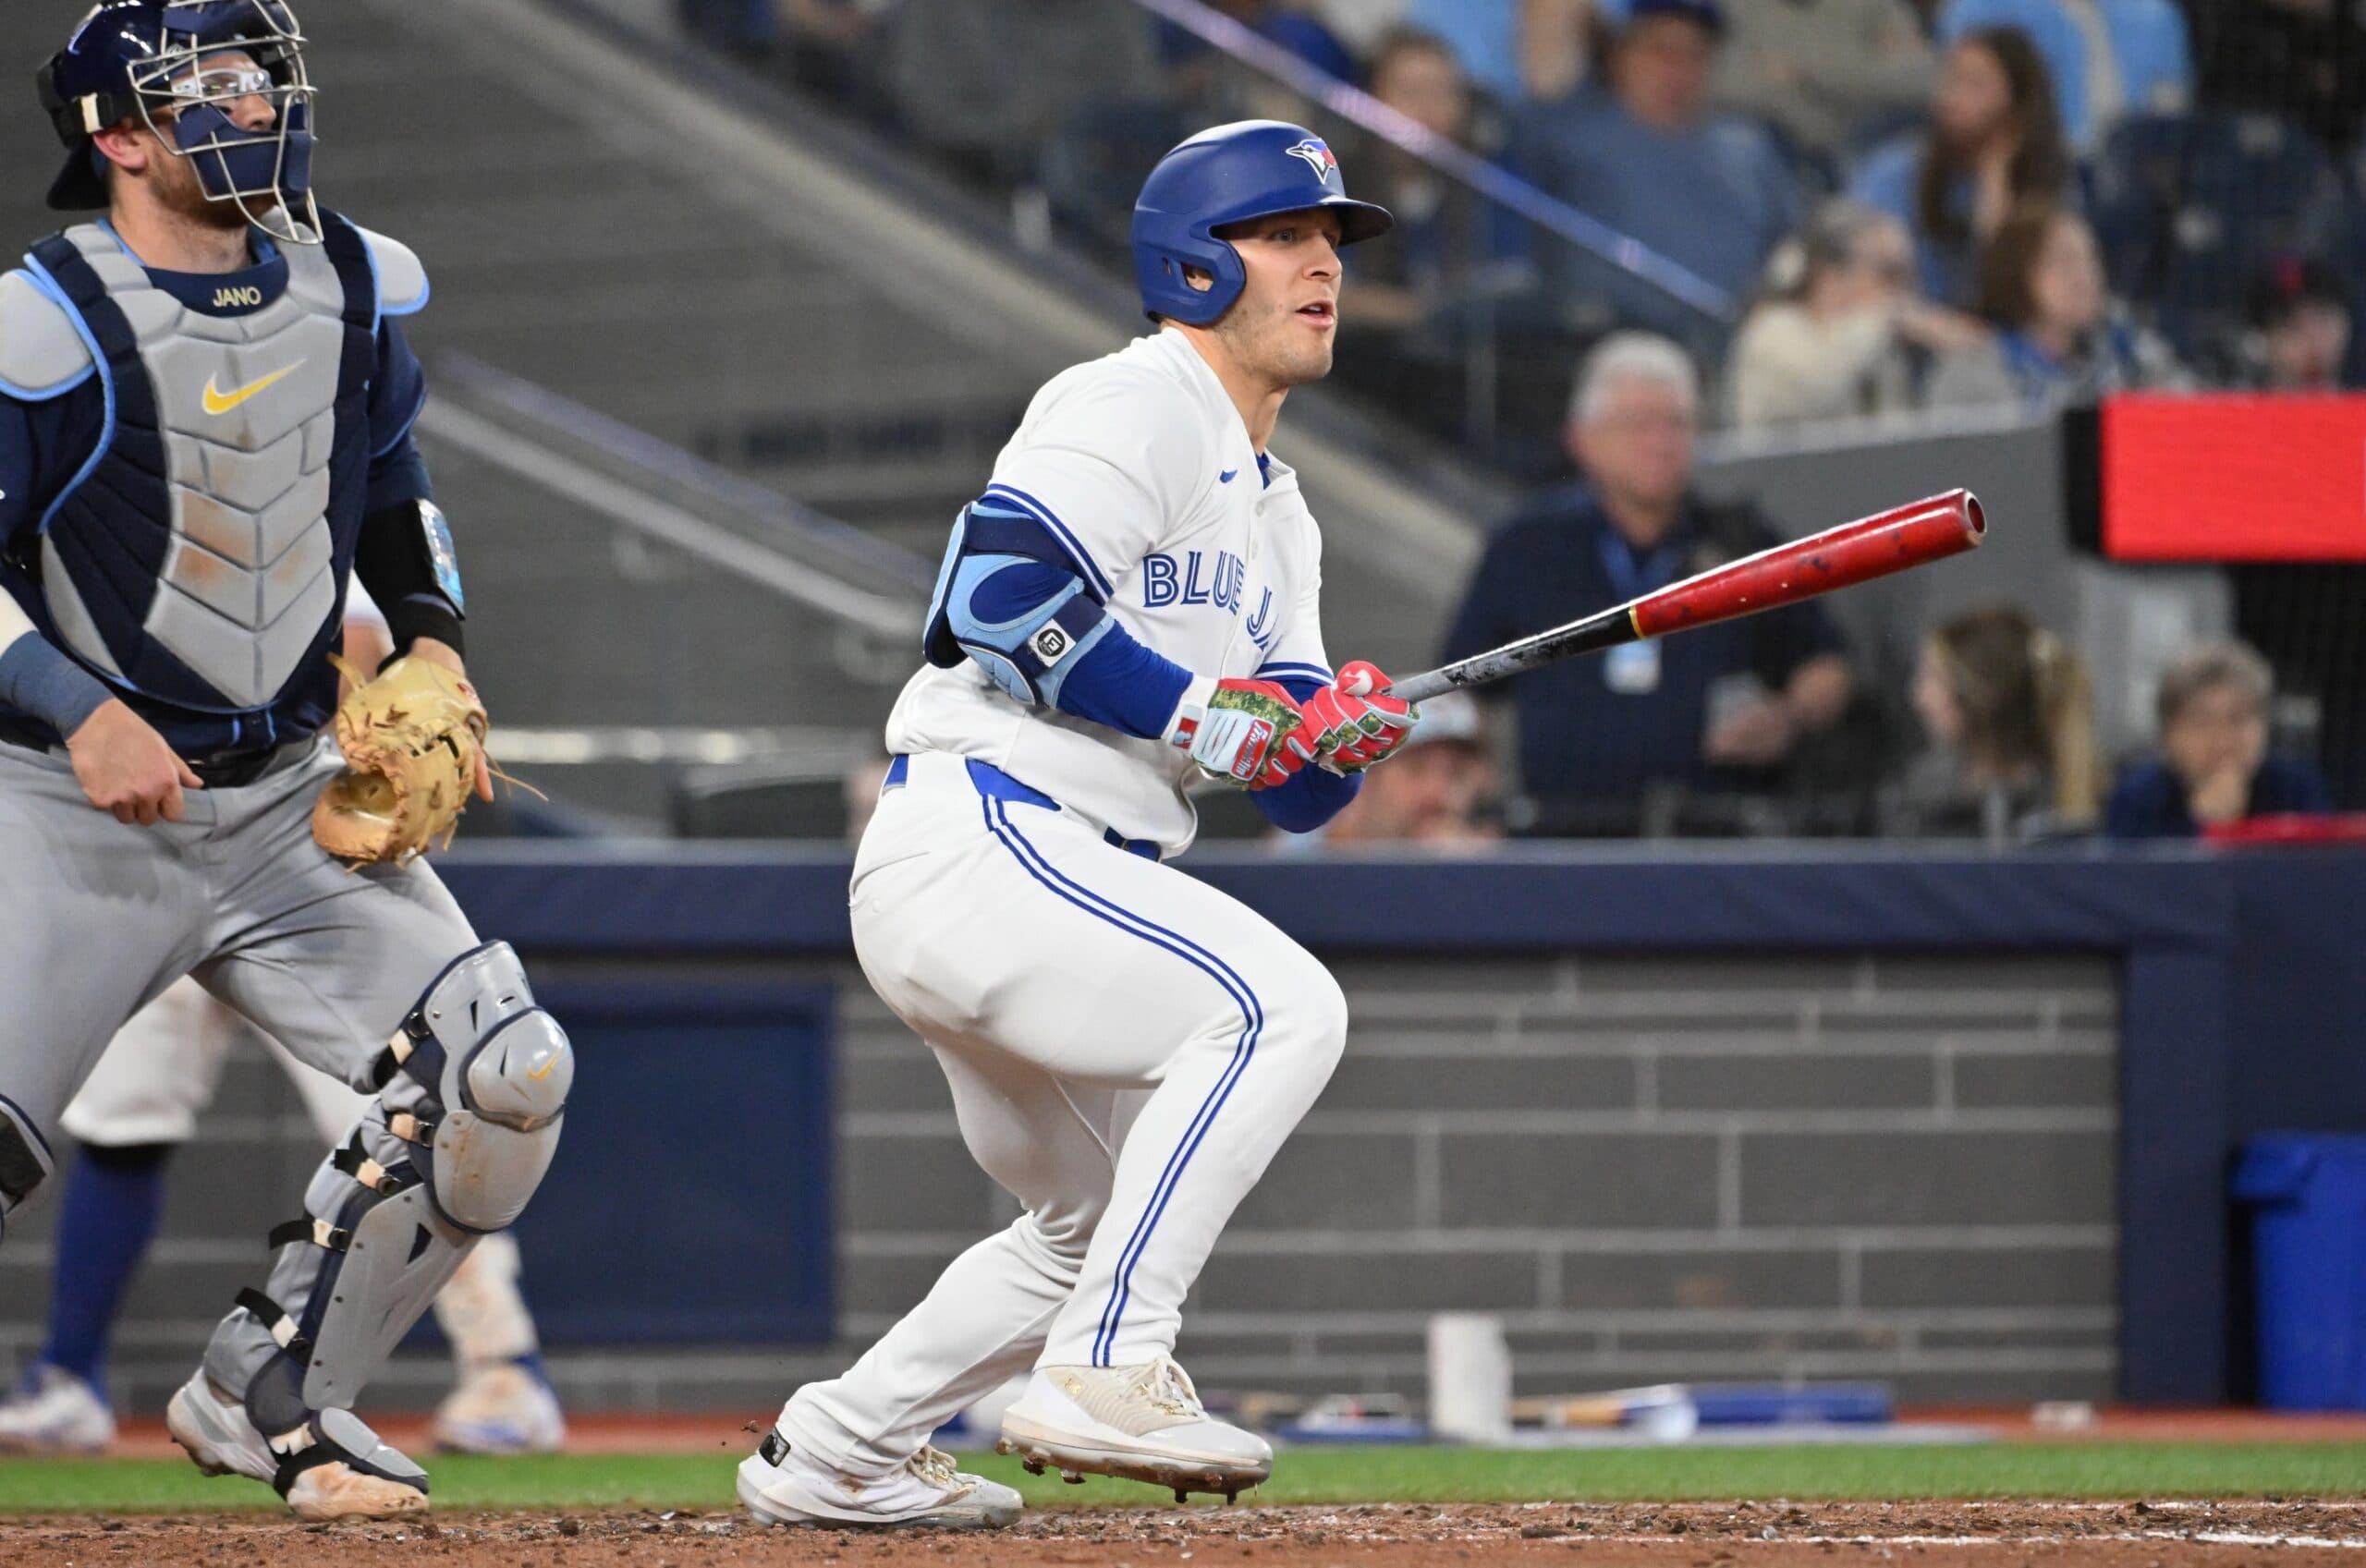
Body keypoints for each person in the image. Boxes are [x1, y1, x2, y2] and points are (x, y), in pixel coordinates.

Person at [736, 121, 1416, 1530]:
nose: (1321, 266)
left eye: (1333, 243)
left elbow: (1290, 785)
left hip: (1049, 874)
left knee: (1080, 1221)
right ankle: (1111, 1364)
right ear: (1192, 262)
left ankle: (839, 1447)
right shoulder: (1135, 399)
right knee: (1282, 1009)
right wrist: (1208, 717)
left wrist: (1332, 741)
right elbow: (990, 602)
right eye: (1287, 236)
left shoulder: (1282, 513)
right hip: (991, 832)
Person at [0, 4, 571, 1521]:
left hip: (282, 800)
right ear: (115, 135)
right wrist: (72, 700)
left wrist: (436, 634)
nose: (253, 109)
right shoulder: (40, 322)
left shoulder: (351, 278)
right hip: (63, 803)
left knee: (504, 1077)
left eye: (263, 80)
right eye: (208, 89)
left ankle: (274, 1393)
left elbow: (389, 477)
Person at [0, 594, 562, 1460]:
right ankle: (70, 1375)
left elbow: (367, 630)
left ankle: (506, 1369)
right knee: (123, 1118)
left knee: (425, 1116)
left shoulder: (292, 485)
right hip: (130, 832)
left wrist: (369, 745)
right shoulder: (118, 519)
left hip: (291, 847)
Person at [1439, 333, 1853, 835]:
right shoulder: (1526, 547)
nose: (1661, 442)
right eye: (1637, 424)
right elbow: (1461, 689)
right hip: (1558, 837)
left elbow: (1828, 664)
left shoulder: (1741, 543)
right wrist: (1463, 786)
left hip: (1714, 837)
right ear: (1582, 440)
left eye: (1676, 423)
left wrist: (1787, 717)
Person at [1519, 0, 1801, 345]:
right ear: (1621, 56)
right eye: (1661, 52)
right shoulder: (1576, 134)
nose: (1678, 72)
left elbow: (1794, 253)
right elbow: (1548, 31)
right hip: (1608, 347)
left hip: (1732, 349)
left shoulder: (1747, 149)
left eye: (1696, 55)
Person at [1849, 26, 2072, 306]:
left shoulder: (2047, 184)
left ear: (2017, 105)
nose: (1953, 98)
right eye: (1952, 79)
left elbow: (2021, 301)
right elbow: (1853, 275)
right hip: (1906, 326)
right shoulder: (1896, 172)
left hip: (1999, 341)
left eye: (1975, 84)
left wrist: (1994, 186)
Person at [1727, 197, 1987, 428]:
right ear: (1830, 274)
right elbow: (1820, 390)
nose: (1902, 292)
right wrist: (1885, 317)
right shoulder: (1773, 331)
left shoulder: (1881, 344)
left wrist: (1953, 345)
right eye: (1889, 273)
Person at [1925, 203, 2184, 409]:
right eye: (2065, 260)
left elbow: (2187, 407)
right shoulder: (1972, 373)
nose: (2086, 275)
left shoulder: (2126, 351)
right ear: (2016, 274)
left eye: (2091, 258)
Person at [1885, 603, 2101, 841]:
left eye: (1934, 677)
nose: (1919, 698)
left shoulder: (2078, 796)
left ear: (1977, 693)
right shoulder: (1917, 797)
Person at [2105, 640, 2332, 838]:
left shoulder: (2296, 791)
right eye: (2201, 722)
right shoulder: (2136, 800)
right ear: (2168, 735)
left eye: (2238, 719)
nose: (2222, 741)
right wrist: (2204, 826)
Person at [1933, 0, 2192, 150]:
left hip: (2136, 184)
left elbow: (2172, 119)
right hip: (2029, 176)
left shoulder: (2155, 15)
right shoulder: (1979, 10)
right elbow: (1966, 111)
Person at [1710, 0, 1935, 160]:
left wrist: (1805, 74)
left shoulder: (1877, 6)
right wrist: (1861, 78)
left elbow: (1923, 79)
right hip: (1770, 145)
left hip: (1860, 145)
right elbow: (1721, 85)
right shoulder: (1733, 7)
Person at [1286, 691, 1500, 847]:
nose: (1437, 792)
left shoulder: (1495, 869)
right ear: (1364, 779)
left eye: (1457, 774)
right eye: (1415, 769)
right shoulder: (1297, 856)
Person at [2239, 256, 2356, 393]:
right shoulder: (2234, 411)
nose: (2314, 339)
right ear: (2260, 341)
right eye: (2292, 326)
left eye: (2324, 317)